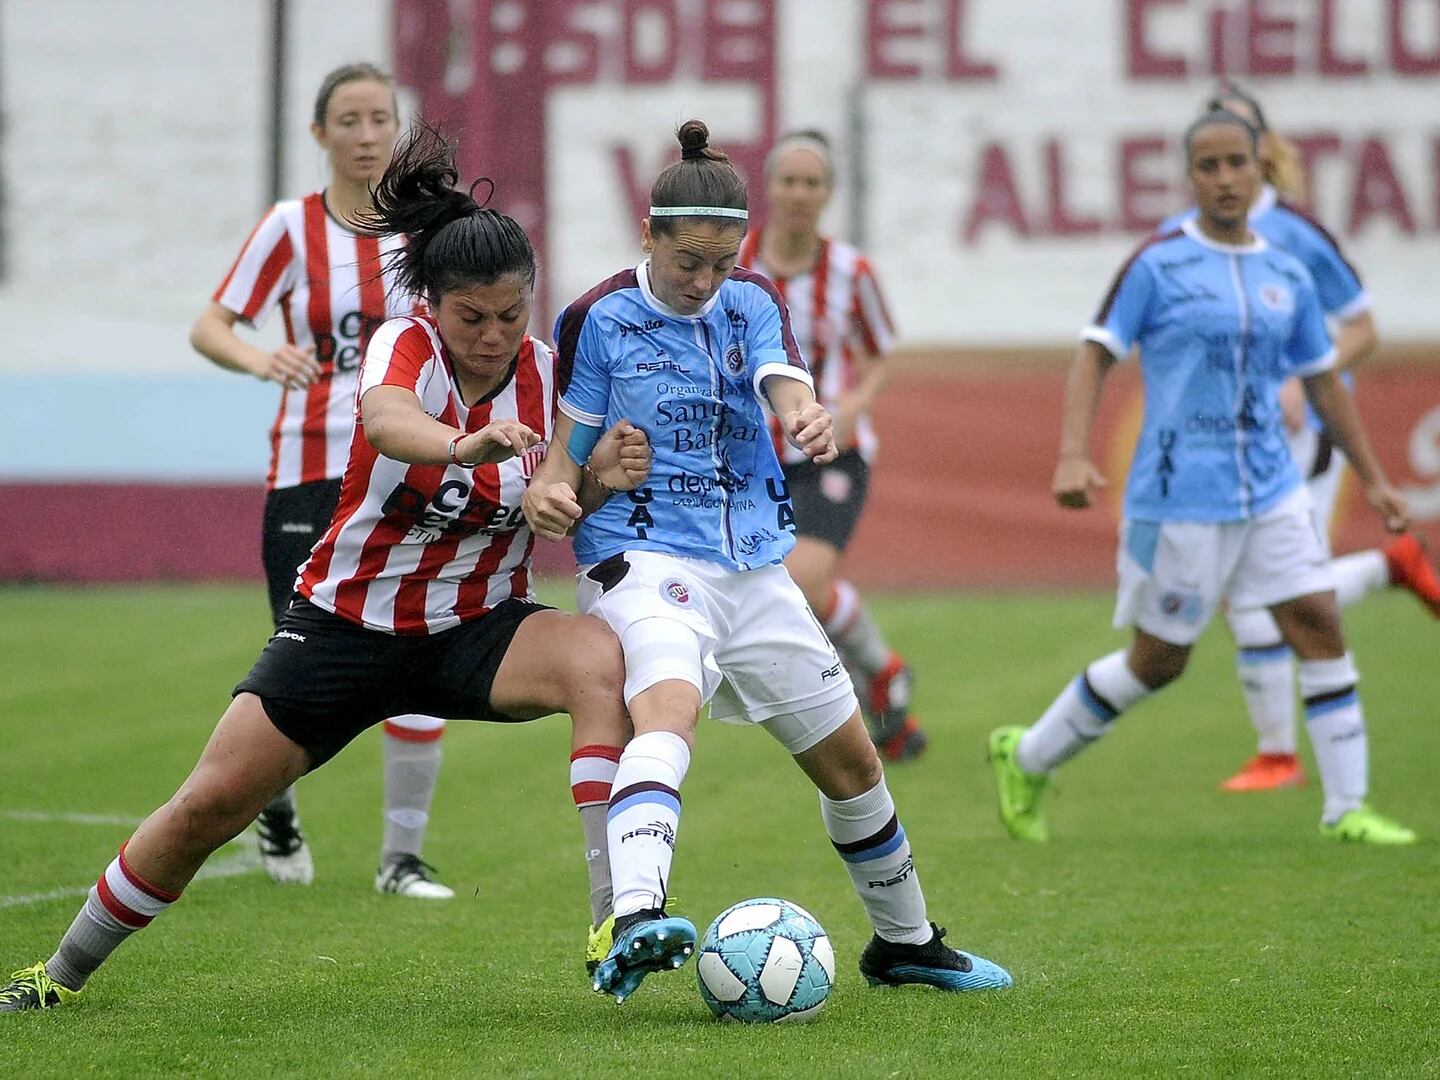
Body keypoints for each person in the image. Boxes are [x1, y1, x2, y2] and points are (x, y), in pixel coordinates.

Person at [0, 124, 650, 1013]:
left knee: (597, 661)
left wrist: (590, 486)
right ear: (434, 303)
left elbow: (566, 495)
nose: (495, 336)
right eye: (473, 317)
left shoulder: (552, 378)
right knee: (207, 807)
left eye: (512, 315)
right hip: (346, 623)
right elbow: (387, 425)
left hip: (479, 627)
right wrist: (471, 443)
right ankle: (57, 976)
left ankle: (617, 922)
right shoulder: (404, 347)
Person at [524, 120, 1011, 1004]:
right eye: (688, 263)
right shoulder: (597, 317)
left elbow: (783, 379)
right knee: (668, 706)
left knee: (855, 762)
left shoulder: (751, 300)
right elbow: (563, 461)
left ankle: (905, 944)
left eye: (722, 262)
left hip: (752, 562)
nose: (706, 281)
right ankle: (633, 919)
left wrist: (806, 413)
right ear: (650, 235)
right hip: (642, 558)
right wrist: (555, 494)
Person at [987, 109, 1418, 846]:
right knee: (1159, 662)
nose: (1224, 178)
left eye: (1236, 164)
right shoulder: (1159, 263)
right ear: (1190, 177)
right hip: (1179, 495)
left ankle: (1348, 810)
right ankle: (1026, 756)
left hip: (1273, 491)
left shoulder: (1287, 268)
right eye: (1208, 166)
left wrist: (1373, 478)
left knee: (1316, 620)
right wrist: (1071, 451)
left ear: (1261, 169)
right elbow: (1096, 352)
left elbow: (1323, 381)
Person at [190, 63, 451, 897]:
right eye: (349, 119)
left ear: (397, 127)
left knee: (422, 640)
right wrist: (261, 355)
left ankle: (401, 859)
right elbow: (211, 323)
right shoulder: (290, 228)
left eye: (380, 117)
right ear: (320, 134)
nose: (367, 134)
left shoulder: (430, 229)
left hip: (414, 466)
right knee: (294, 661)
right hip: (309, 466)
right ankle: (275, 810)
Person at [1157, 82, 1440, 793]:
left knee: (1272, 595)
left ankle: (1282, 756)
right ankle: (1388, 570)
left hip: (1298, 433)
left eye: (1240, 149)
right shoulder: (1182, 240)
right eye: (1210, 153)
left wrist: (1300, 377)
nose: (1226, 169)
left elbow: (1363, 326)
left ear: (1261, 152)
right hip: (1223, 442)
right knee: (1259, 597)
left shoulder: (1296, 234)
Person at [736, 130, 926, 762]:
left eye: (811, 182)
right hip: (749, 453)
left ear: (828, 193)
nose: (798, 193)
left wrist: (856, 404)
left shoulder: (852, 272)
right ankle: (884, 672)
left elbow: (879, 353)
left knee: (801, 580)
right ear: (768, 188)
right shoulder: (733, 263)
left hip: (830, 452)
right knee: (773, 588)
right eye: (787, 180)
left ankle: (872, 675)